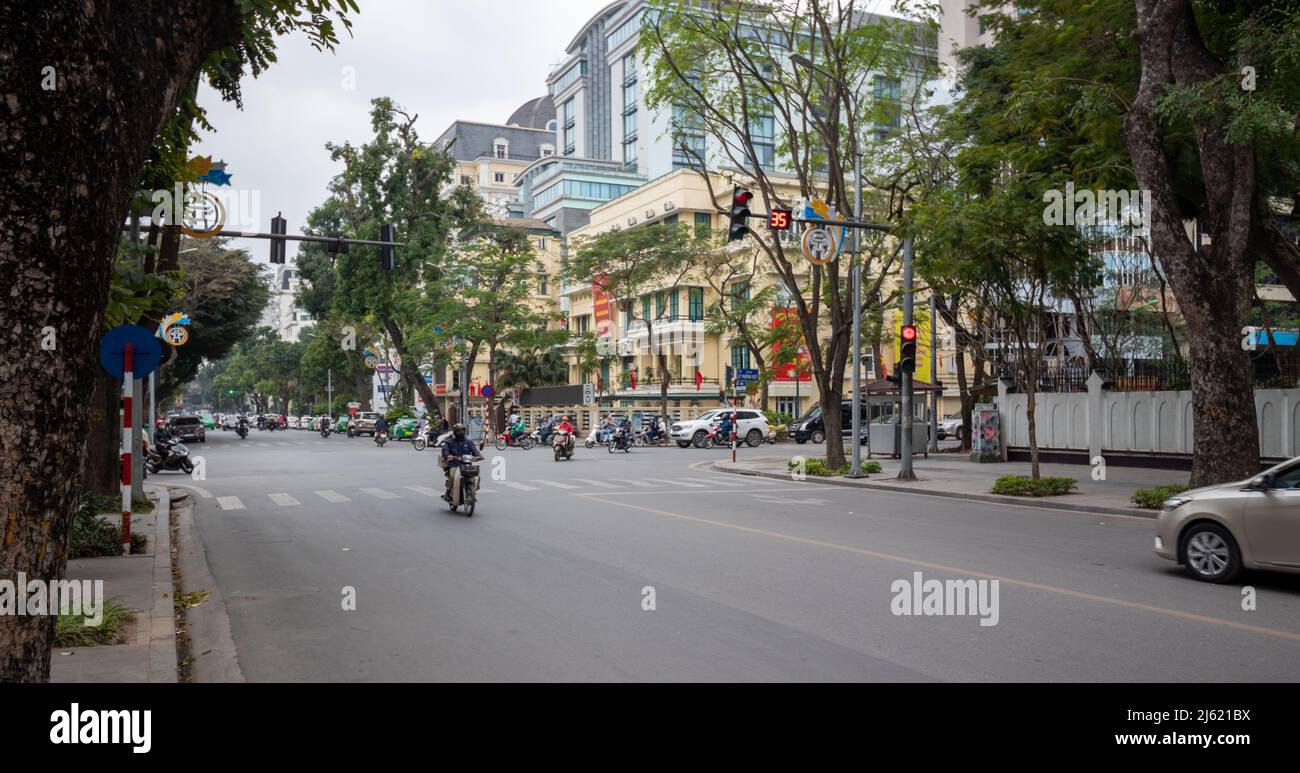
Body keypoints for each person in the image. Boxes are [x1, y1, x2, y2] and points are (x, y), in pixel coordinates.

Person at [441, 423, 484, 501]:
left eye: (462, 430)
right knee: (453, 476)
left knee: (477, 477)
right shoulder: (449, 442)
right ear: (455, 432)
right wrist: (448, 456)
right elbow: (445, 451)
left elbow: (475, 450)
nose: (461, 432)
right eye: (459, 431)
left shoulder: (469, 442)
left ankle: (472, 491)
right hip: (454, 465)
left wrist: (479, 455)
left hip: (466, 465)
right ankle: (448, 492)